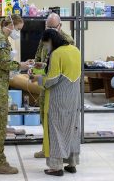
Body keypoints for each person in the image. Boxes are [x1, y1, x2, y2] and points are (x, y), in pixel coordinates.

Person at [0, 14, 29, 175]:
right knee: (0, 126)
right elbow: (4, 63)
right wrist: (20, 65)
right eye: (18, 29)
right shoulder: (1, 39)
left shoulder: (1, 38)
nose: (18, 33)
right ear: (10, 25)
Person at [31, 29, 81, 176]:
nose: (46, 48)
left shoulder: (56, 53)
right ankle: (72, 164)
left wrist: (38, 79)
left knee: (55, 131)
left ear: (51, 41)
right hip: (73, 98)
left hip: (58, 99)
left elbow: (52, 80)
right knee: (71, 129)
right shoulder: (75, 50)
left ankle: (56, 167)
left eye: (46, 45)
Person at [33, 12, 75, 159]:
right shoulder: (45, 38)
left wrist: (46, 67)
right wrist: (36, 65)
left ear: (60, 25)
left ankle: (61, 152)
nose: (50, 29)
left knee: (59, 121)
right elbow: (39, 56)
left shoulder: (67, 41)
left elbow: (64, 64)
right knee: (44, 117)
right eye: (48, 27)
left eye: (53, 27)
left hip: (60, 87)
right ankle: (47, 149)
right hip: (46, 83)